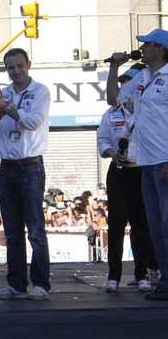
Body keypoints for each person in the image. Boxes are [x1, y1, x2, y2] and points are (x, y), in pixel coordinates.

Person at [0, 47, 51, 300]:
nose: (16, 71)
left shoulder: (40, 91)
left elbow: (34, 122)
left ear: (28, 64)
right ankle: (15, 283)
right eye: (11, 67)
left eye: (20, 66)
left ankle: (41, 284)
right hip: (7, 168)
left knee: (35, 230)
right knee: (12, 231)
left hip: (31, 167)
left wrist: (9, 110)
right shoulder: (4, 93)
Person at [107, 29, 168, 300]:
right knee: (155, 226)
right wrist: (114, 68)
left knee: (166, 225)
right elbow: (112, 99)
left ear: (160, 49)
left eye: (147, 45)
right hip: (146, 162)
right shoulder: (142, 77)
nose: (141, 48)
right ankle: (164, 282)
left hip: (164, 161)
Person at [97, 62, 153, 293]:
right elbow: (103, 141)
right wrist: (112, 153)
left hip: (141, 170)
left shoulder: (149, 110)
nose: (126, 88)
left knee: (141, 224)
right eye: (123, 83)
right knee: (117, 222)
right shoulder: (111, 113)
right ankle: (113, 277)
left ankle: (143, 275)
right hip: (118, 172)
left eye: (130, 83)